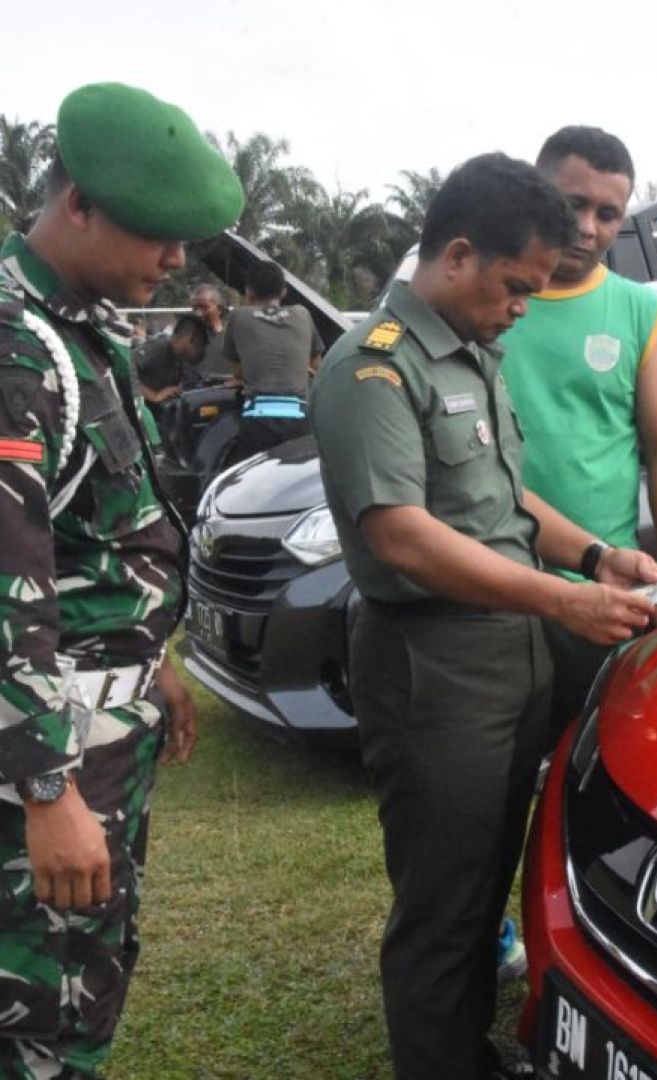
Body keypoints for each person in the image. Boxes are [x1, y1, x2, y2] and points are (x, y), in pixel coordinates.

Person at [310, 152, 657, 1080]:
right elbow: (404, 537)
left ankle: (463, 1050)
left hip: (511, 655)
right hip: (435, 668)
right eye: (516, 287)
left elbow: (506, 504)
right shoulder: (375, 367)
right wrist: (566, 599)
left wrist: (596, 555)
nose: (522, 307)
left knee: (491, 872)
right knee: (443, 902)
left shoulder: (474, 350)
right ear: (458, 254)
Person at [0, 81, 242, 1077]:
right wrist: (44, 789)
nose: (176, 259)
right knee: (36, 1020)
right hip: (42, 763)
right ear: (78, 206)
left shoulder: (76, 330)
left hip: (101, 732)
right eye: (157, 233)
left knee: (89, 987)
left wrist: (155, 663)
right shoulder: (15, 349)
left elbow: (97, 541)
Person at [501, 125, 657, 745]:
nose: (588, 227)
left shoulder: (641, 311)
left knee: (586, 758)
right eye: (573, 204)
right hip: (489, 578)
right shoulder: (487, 299)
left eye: (608, 213)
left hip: (598, 591)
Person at [225, 258, 324, 459]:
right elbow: (316, 366)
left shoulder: (239, 317)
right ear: (283, 292)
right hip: (300, 420)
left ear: (248, 292)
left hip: (258, 421)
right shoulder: (303, 314)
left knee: (255, 485)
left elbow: (239, 371)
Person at [135, 312, 209, 421]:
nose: (201, 352)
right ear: (190, 338)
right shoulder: (157, 348)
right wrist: (153, 395)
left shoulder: (179, 359)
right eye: (199, 345)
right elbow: (124, 368)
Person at [190, 282, 231, 376]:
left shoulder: (234, 333)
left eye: (204, 308)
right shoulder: (189, 339)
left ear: (219, 308)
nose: (198, 314)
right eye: (194, 308)